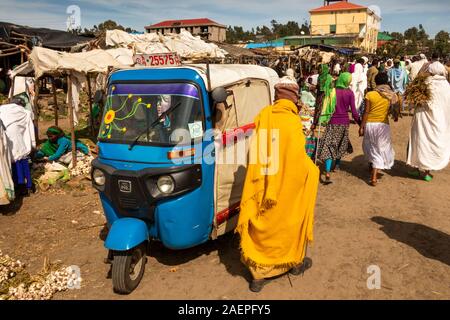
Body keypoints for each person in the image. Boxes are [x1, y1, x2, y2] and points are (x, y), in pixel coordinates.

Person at [236, 77, 319, 293]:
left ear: (276, 96)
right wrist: (313, 170)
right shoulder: (292, 121)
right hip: (287, 185)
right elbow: (297, 160)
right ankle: (293, 262)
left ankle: (258, 275)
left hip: (264, 182)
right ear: (293, 98)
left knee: (263, 220)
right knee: (290, 219)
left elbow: (258, 150)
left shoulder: (264, 115)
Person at [406, 61, 450, 181]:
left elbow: (415, 99)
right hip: (439, 119)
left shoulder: (425, 83)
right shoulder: (446, 85)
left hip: (422, 117)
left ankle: (415, 168)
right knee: (431, 142)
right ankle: (426, 172)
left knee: (419, 140)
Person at [315, 72, 360, 184]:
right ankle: (337, 165)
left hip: (332, 122)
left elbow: (324, 106)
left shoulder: (332, 92)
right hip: (344, 123)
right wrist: (360, 123)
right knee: (341, 143)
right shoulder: (350, 93)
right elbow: (354, 112)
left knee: (329, 145)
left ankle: (327, 171)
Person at [359, 73, 398, 186]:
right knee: (381, 148)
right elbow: (395, 113)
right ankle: (375, 174)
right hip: (383, 125)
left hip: (370, 125)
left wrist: (362, 126)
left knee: (371, 147)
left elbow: (366, 112)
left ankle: (373, 171)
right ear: (386, 82)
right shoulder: (391, 95)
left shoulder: (370, 94)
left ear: (376, 82)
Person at [0, 97, 35, 193]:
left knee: (7, 160)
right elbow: (30, 130)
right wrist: (32, 144)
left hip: (2, 134)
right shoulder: (24, 111)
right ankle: (26, 186)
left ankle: (13, 185)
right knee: (21, 157)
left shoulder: (2, 108)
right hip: (14, 135)